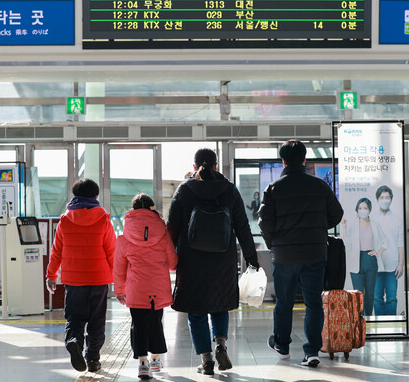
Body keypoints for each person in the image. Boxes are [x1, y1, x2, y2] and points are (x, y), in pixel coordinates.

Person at [166, 148, 259, 375]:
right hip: (223, 260)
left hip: (191, 261)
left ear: (194, 165)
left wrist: (166, 259)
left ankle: (206, 360)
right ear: (216, 165)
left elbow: (171, 228)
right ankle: (220, 344)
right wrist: (252, 260)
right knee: (219, 304)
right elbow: (243, 229)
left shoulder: (185, 190)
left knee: (196, 311)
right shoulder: (229, 190)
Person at [258, 140, 344, 368]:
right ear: (305, 159)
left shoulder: (273, 188)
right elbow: (336, 214)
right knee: (313, 303)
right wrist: (318, 228)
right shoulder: (320, 186)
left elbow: (264, 222)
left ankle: (282, 346)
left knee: (284, 302)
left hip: (284, 255)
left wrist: (274, 243)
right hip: (315, 252)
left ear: (283, 161)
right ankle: (312, 351)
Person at [46, 178, 116, 373]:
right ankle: (93, 358)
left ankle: (74, 340)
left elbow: (56, 251)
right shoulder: (104, 220)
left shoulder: (65, 220)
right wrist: (119, 280)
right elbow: (112, 252)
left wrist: (51, 275)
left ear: (75, 196)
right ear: (96, 196)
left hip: (74, 280)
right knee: (96, 320)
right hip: (99, 278)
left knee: (75, 318)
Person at [113, 193, 178, 380]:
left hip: (136, 289)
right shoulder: (163, 232)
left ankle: (143, 363)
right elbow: (173, 263)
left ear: (133, 210)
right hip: (158, 287)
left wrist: (119, 291)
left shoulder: (124, 237)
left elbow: (119, 269)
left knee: (138, 324)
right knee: (156, 322)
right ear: (152, 208)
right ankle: (156, 358)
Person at [341, 197, 388, 316]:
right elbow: (346, 243)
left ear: (369, 210)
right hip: (356, 261)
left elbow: (385, 242)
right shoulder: (352, 224)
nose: (362, 210)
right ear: (357, 210)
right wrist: (344, 227)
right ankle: (359, 320)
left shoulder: (375, 225)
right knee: (358, 294)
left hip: (370, 260)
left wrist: (378, 253)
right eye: (360, 208)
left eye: (365, 208)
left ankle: (369, 319)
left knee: (370, 293)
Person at [373, 185, 404, 316]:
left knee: (392, 298)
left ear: (391, 199)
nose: (384, 200)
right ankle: (379, 326)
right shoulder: (372, 218)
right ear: (377, 199)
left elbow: (400, 242)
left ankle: (392, 325)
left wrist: (401, 264)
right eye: (382, 197)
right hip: (376, 265)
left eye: (387, 197)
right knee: (376, 298)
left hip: (392, 265)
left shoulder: (397, 219)